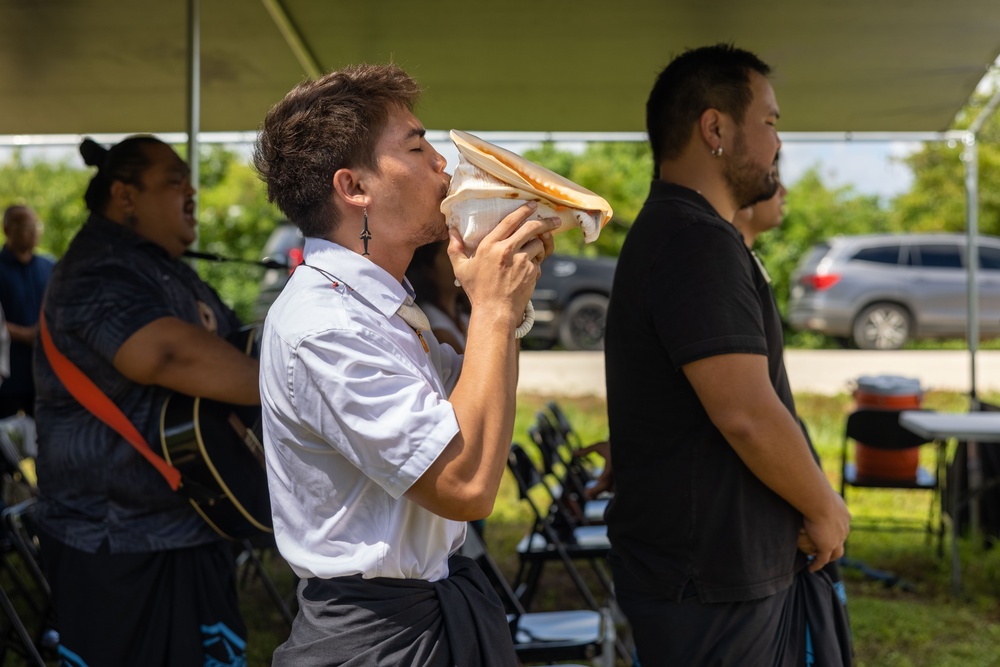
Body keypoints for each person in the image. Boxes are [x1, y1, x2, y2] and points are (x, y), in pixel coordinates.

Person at [253, 63, 557, 666]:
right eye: (417, 147)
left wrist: (507, 304)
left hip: (425, 613)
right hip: (379, 643)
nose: (442, 165)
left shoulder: (379, 307)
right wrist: (493, 310)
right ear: (354, 187)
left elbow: (474, 416)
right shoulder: (326, 325)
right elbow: (464, 484)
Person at [602, 44, 851, 665]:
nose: (777, 144)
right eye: (769, 122)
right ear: (715, 128)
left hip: (708, 574)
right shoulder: (694, 241)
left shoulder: (684, 233)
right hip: (712, 579)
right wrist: (825, 506)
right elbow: (745, 410)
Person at [32, 135, 261, 667]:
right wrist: (299, 393)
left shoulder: (167, 267)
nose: (192, 191)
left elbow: (228, 345)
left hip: (191, 521)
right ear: (125, 196)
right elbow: (168, 356)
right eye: (173, 180)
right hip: (115, 542)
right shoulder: (95, 270)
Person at [0, 205, 54, 417]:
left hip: (45, 377)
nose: (32, 231)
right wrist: (25, 334)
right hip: (8, 377)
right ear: (7, 229)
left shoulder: (49, 267)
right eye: (24, 225)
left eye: (35, 225)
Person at [406, 240, 471, 353]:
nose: (463, 261)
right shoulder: (430, 322)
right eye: (450, 256)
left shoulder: (462, 314)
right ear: (429, 269)